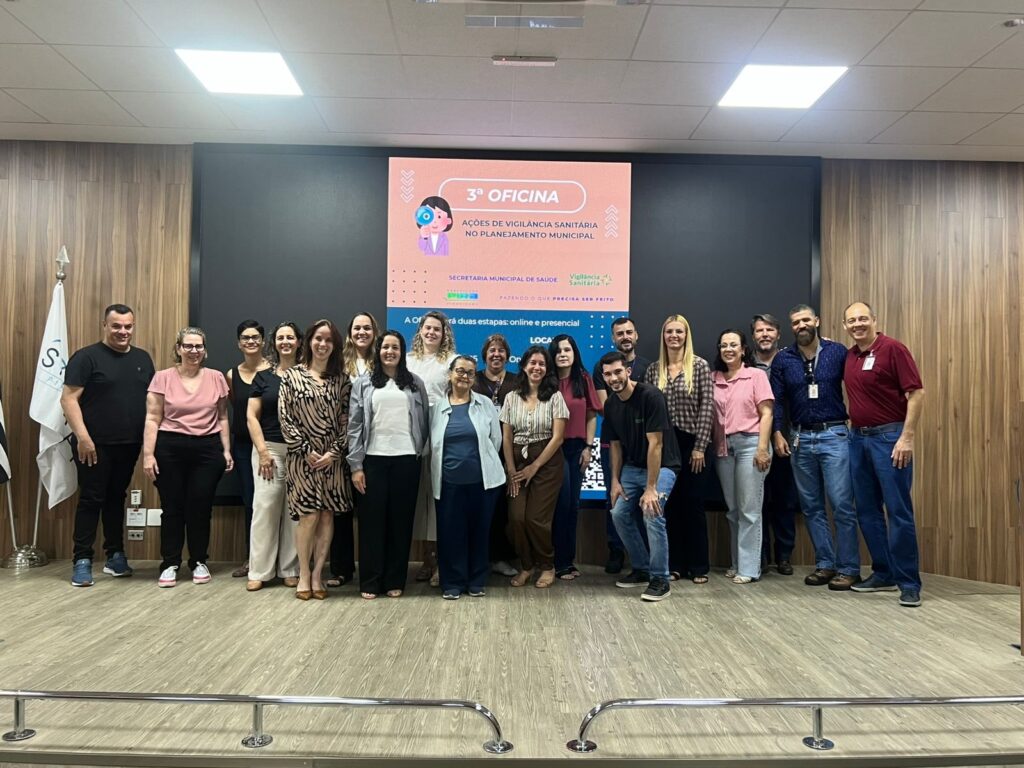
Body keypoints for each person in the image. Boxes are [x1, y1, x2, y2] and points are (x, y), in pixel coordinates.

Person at [62, 304, 155, 587]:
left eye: (128, 326)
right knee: (92, 498)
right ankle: (82, 560)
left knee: (117, 497)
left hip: (128, 444)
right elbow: (68, 399)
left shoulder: (142, 358)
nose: (122, 331)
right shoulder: (86, 357)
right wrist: (83, 437)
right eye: (116, 326)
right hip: (93, 445)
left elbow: (151, 403)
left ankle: (115, 555)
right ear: (105, 325)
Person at [770, 305, 860, 590]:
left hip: (834, 434)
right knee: (811, 507)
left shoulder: (837, 352)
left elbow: (858, 388)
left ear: (817, 321)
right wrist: (776, 433)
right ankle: (825, 564)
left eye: (806, 320)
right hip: (799, 438)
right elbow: (775, 401)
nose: (801, 325)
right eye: (796, 322)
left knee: (842, 505)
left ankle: (848, 568)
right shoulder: (783, 359)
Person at [843, 301, 925, 608]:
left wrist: (907, 437)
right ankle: (883, 573)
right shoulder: (850, 356)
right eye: (852, 320)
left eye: (863, 318)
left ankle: (909, 582)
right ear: (845, 326)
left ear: (875, 320)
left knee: (898, 510)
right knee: (866, 510)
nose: (858, 324)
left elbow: (916, 392)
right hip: (857, 440)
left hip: (890, 438)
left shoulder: (894, 349)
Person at [143, 326, 232, 588]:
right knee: (172, 507)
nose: (194, 351)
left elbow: (223, 417)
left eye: (199, 346)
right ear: (179, 348)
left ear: (205, 350)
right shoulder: (162, 378)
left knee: (200, 507)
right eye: (188, 346)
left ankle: (198, 561)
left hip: (208, 448)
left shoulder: (216, 378)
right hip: (170, 447)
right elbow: (152, 418)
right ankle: (170, 563)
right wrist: (148, 455)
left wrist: (225, 450)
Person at [348, 331, 430, 599]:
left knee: (401, 521)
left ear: (402, 352)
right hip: (373, 459)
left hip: (407, 459)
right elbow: (355, 426)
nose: (390, 351)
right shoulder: (363, 383)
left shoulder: (415, 384)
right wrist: (356, 466)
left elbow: (424, 422)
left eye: (395, 347)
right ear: (378, 350)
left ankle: (395, 580)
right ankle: (370, 581)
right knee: (372, 522)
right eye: (385, 347)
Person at [278, 319, 353, 601]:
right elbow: (285, 419)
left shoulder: (342, 380)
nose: (322, 344)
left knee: (326, 516)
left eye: (328, 340)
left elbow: (348, 421)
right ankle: (304, 573)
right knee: (308, 516)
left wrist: (334, 452)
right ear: (308, 341)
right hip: (303, 459)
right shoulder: (291, 376)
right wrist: (306, 449)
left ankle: (319, 573)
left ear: (335, 346)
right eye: (318, 339)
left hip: (332, 460)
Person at [599, 351, 679, 602]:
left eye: (618, 372)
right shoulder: (611, 404)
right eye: (608, 374)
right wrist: (614, 482)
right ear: (604, 377)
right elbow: (615, 446)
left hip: (663, 466)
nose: (614, 378)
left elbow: (656, 445)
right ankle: (642, 568)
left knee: (651, 510)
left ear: (628, 371)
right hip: (632, 469)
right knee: (618, 513)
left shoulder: (650, 396)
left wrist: (651, 487)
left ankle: (660, 578)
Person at [644, 315, 713, 584]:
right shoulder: (653, 370)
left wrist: (700, 447)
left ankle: (698, 566)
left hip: (692, 444)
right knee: (668, 506)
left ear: (687, 335)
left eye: (679, 331)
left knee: (693, 505)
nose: (674, 336)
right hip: (663, 446)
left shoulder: (699, 366)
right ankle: (674, 565)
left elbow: (707, 407)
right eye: (669, 331)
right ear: (663, 336)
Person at [430, 355, 505, 599]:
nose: (464, 376)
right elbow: (430, 444)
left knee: (479, 532)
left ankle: (476, 580)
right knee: (451, 534)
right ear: (450, 374)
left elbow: (496, 440)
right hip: (448, 483)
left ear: (475, 377)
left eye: (470, 373)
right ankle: (452, 582)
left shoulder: (484, 404)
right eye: (460, 371)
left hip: (483, 483)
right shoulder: (436, 409)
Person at [499, 345, 568, 589]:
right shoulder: (511, 397)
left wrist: (535, 466)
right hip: (517, 460)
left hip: (546, 462)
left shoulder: (555, 396)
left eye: (542, 364)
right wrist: (511, 471)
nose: (537, 367)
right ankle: (527, 566)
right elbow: (506, 438)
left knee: (536, 519)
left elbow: (558, 437)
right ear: (524, 366)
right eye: (533, 363)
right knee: (516, 518)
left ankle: (547, 565)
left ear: (547, 369)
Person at [711, 330, 773, 584]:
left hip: (750, 445)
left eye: (733, 345)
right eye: (724, 345)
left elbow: (767, 413)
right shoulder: (713, 378)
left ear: (743, 349)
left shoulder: (756, 375)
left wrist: (762, 448)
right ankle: (737, 563)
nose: (728, 349)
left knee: (749, 510)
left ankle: (749, 568)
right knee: (733, 510)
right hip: (723, 449)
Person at [592, 317, 652, 574]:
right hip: (614, 442)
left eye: (629, 332)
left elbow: (651, 408)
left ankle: (644, 556)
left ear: (636, 335)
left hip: (644, 445)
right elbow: (609, 408)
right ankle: (616, 550)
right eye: (619, 333)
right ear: (613, 337)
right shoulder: (601, 367)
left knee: (645, 502)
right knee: (614, 498)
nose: (625, 336)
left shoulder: (649, 367)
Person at [326, 311, 381, 589]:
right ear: (349, 333)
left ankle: (373, 568)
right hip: (340, 442)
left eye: (367, 328)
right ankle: (341, 569)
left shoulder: (382, 360)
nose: (362, 332)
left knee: (370, 509)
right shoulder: (338, 363)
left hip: (373, 444)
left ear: (375, 332)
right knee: (340, 508)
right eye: (357, 328)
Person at [245, 322, 302, 591]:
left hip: (300, 453)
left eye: (290, 337)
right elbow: (250, 416)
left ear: (299, 342)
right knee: (265, 508)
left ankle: (290, 569)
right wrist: (263, 453)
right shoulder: (263, 377)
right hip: (269, 450)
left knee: (296, 513)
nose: (286, 341)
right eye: (281, 338)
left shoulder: (309, 375)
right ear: (274, 343)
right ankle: (259, 570)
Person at [407, 310, 457, 586]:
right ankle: (426, 559)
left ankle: (441, 561)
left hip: (442, 427)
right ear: (420, 330)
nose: (431, 333)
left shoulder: (450, 361)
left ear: (444, 333)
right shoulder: (408, 360)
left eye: (437, 329)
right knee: (421, 498)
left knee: (439, 494)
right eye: (427, 328)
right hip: (412, 431)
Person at [549, 334, 600, 581]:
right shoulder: (547, 382)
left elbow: (592, 415)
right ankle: (557, 562)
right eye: (558, 350)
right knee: (561, 505)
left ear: (574, 352)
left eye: (567, 349)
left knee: (572, 507)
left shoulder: (584, 379)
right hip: (552, 449)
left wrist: (589, 447)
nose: (562, 354)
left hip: (578, 448)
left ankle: (566, 560)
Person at [751, 313, 799, 576]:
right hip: (751, 441)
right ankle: (761, 555)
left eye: (770, 329)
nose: (765, 334)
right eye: (759, 330)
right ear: (753, 336)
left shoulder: (791, 361)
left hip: (784, 440)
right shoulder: (745, 364)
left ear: (778, 334)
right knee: (756, 501)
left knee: (783, 500)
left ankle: (783, 556)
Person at [226, 320, 271, 579]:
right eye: (245, 337)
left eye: (255, 337)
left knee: (273, 504)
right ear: (238, 342)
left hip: (272, 445)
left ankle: (276, 558)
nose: (251, 341)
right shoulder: (231, 375)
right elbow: (237, 408)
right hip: (244, 447)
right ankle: (252, 558)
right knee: (251, 502)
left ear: (263, 341)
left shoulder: (275, 371)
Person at [471, 333, 519, 577]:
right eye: (492, 350)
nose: (496, 354)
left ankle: (499, 558)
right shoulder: (473, 380)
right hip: (477, 453)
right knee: (478, 509)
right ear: (485, 355)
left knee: (501, 511)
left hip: (508, 454)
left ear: (507, 355)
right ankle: (477, 558)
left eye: (501, 350)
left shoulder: (516, 381)